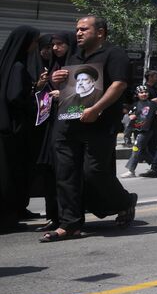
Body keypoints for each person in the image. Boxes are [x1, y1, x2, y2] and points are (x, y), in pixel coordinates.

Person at [42, 16, 135, 242]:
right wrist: (57, 79)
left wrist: (96, 108)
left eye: (84, 29)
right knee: (66, 173)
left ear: (101, 32)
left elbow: (119, 85)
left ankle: (125, 202)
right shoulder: (74, 55)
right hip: (68, 123)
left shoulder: (115, 54)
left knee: (94, 172)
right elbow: (68, 87)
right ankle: (70, 224)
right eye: (77, 29)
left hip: (99, 125)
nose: (78, 33)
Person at [29, 32, 73, 228]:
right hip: (49, 126)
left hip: (68, 127)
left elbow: (87, 94)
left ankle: (68, 218)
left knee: (65, 174)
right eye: (53, 45)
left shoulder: (74, 66)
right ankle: (53, 217)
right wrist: (40, 85)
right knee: (49, 174)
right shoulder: (51, 67)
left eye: (60, 44)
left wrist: (62, 94)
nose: (55, 48)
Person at [0, 25, 41, 231]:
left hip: (6, 126)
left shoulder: (7, 64)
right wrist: (35, 101)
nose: (36, 45)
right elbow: (15, 96)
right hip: (14, 129)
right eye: (35, 41)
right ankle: (8, 217)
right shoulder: (17, 67)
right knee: (12, 173)